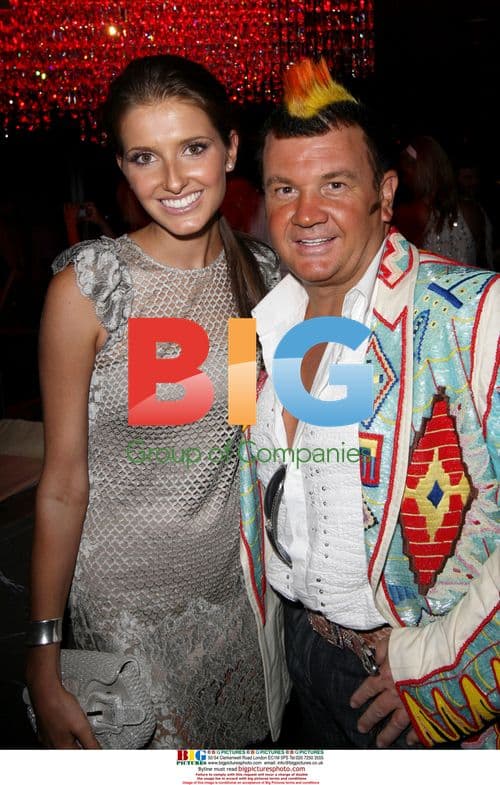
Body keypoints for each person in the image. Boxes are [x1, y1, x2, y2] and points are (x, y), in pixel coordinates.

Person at [24, 54, 286, 749]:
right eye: (146, 156)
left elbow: (237, 440)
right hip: (124, 614)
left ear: (231, 148)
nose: (172, 180)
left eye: (194, 148)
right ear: (122, 165)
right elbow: (61, 486)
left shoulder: (258, 279)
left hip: (233, 602)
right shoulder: (92, 287)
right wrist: (44, 656)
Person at [242, 57, 499, 749]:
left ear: (385, 194)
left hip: (413, 675)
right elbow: (240, 487)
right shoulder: (253, 332)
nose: (306, 213)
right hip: (300, 658)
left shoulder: (471, 314)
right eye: (284, 188)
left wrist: (441, 670)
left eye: (334, 183)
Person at [393, 134, 488, 267]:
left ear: (420, 171)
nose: (404, 180)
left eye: (406, 173)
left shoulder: (411, 214)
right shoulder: (471, 210)